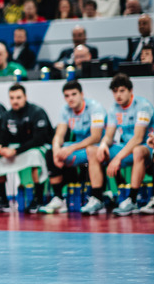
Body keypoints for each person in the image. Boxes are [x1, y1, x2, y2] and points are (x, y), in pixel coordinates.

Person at [84, 73, 154, 215]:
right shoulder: (114, 109)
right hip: (127, 149)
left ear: (130, 91)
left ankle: (132, 200)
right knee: (92, 151)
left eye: (122, 91)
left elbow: (138, 138)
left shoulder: (143, 106)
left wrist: (117, 158)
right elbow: (109, 135)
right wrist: (103, 145)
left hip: (147, 148)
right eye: (115, 91)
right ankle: (97, 198)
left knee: (137, 150)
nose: (118, 95)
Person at [0, 84, 54, 212]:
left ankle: (37, 198)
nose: (15, 101)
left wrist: (15, 151)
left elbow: (39, 140)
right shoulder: (7, 116)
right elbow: (3, 137)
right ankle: (2, 199)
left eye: (18, 97)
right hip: (17, 149)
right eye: (12, 98)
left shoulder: (37, 112)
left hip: (38, 147)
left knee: (34, 155)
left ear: (25, 97)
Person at [44, 81, 108, 213]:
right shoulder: (65, 110)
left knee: (89, 152)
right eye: (67, 96)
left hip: (97, 147)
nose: (70, 98)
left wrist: (70, 149)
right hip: (79, 148)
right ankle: (59, 198)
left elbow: (96, 137)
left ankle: (97, 198)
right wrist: (56, 149)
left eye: (74, 94)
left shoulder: (95, 108)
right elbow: (60, 134)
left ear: (82, 94)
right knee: (50, 153)